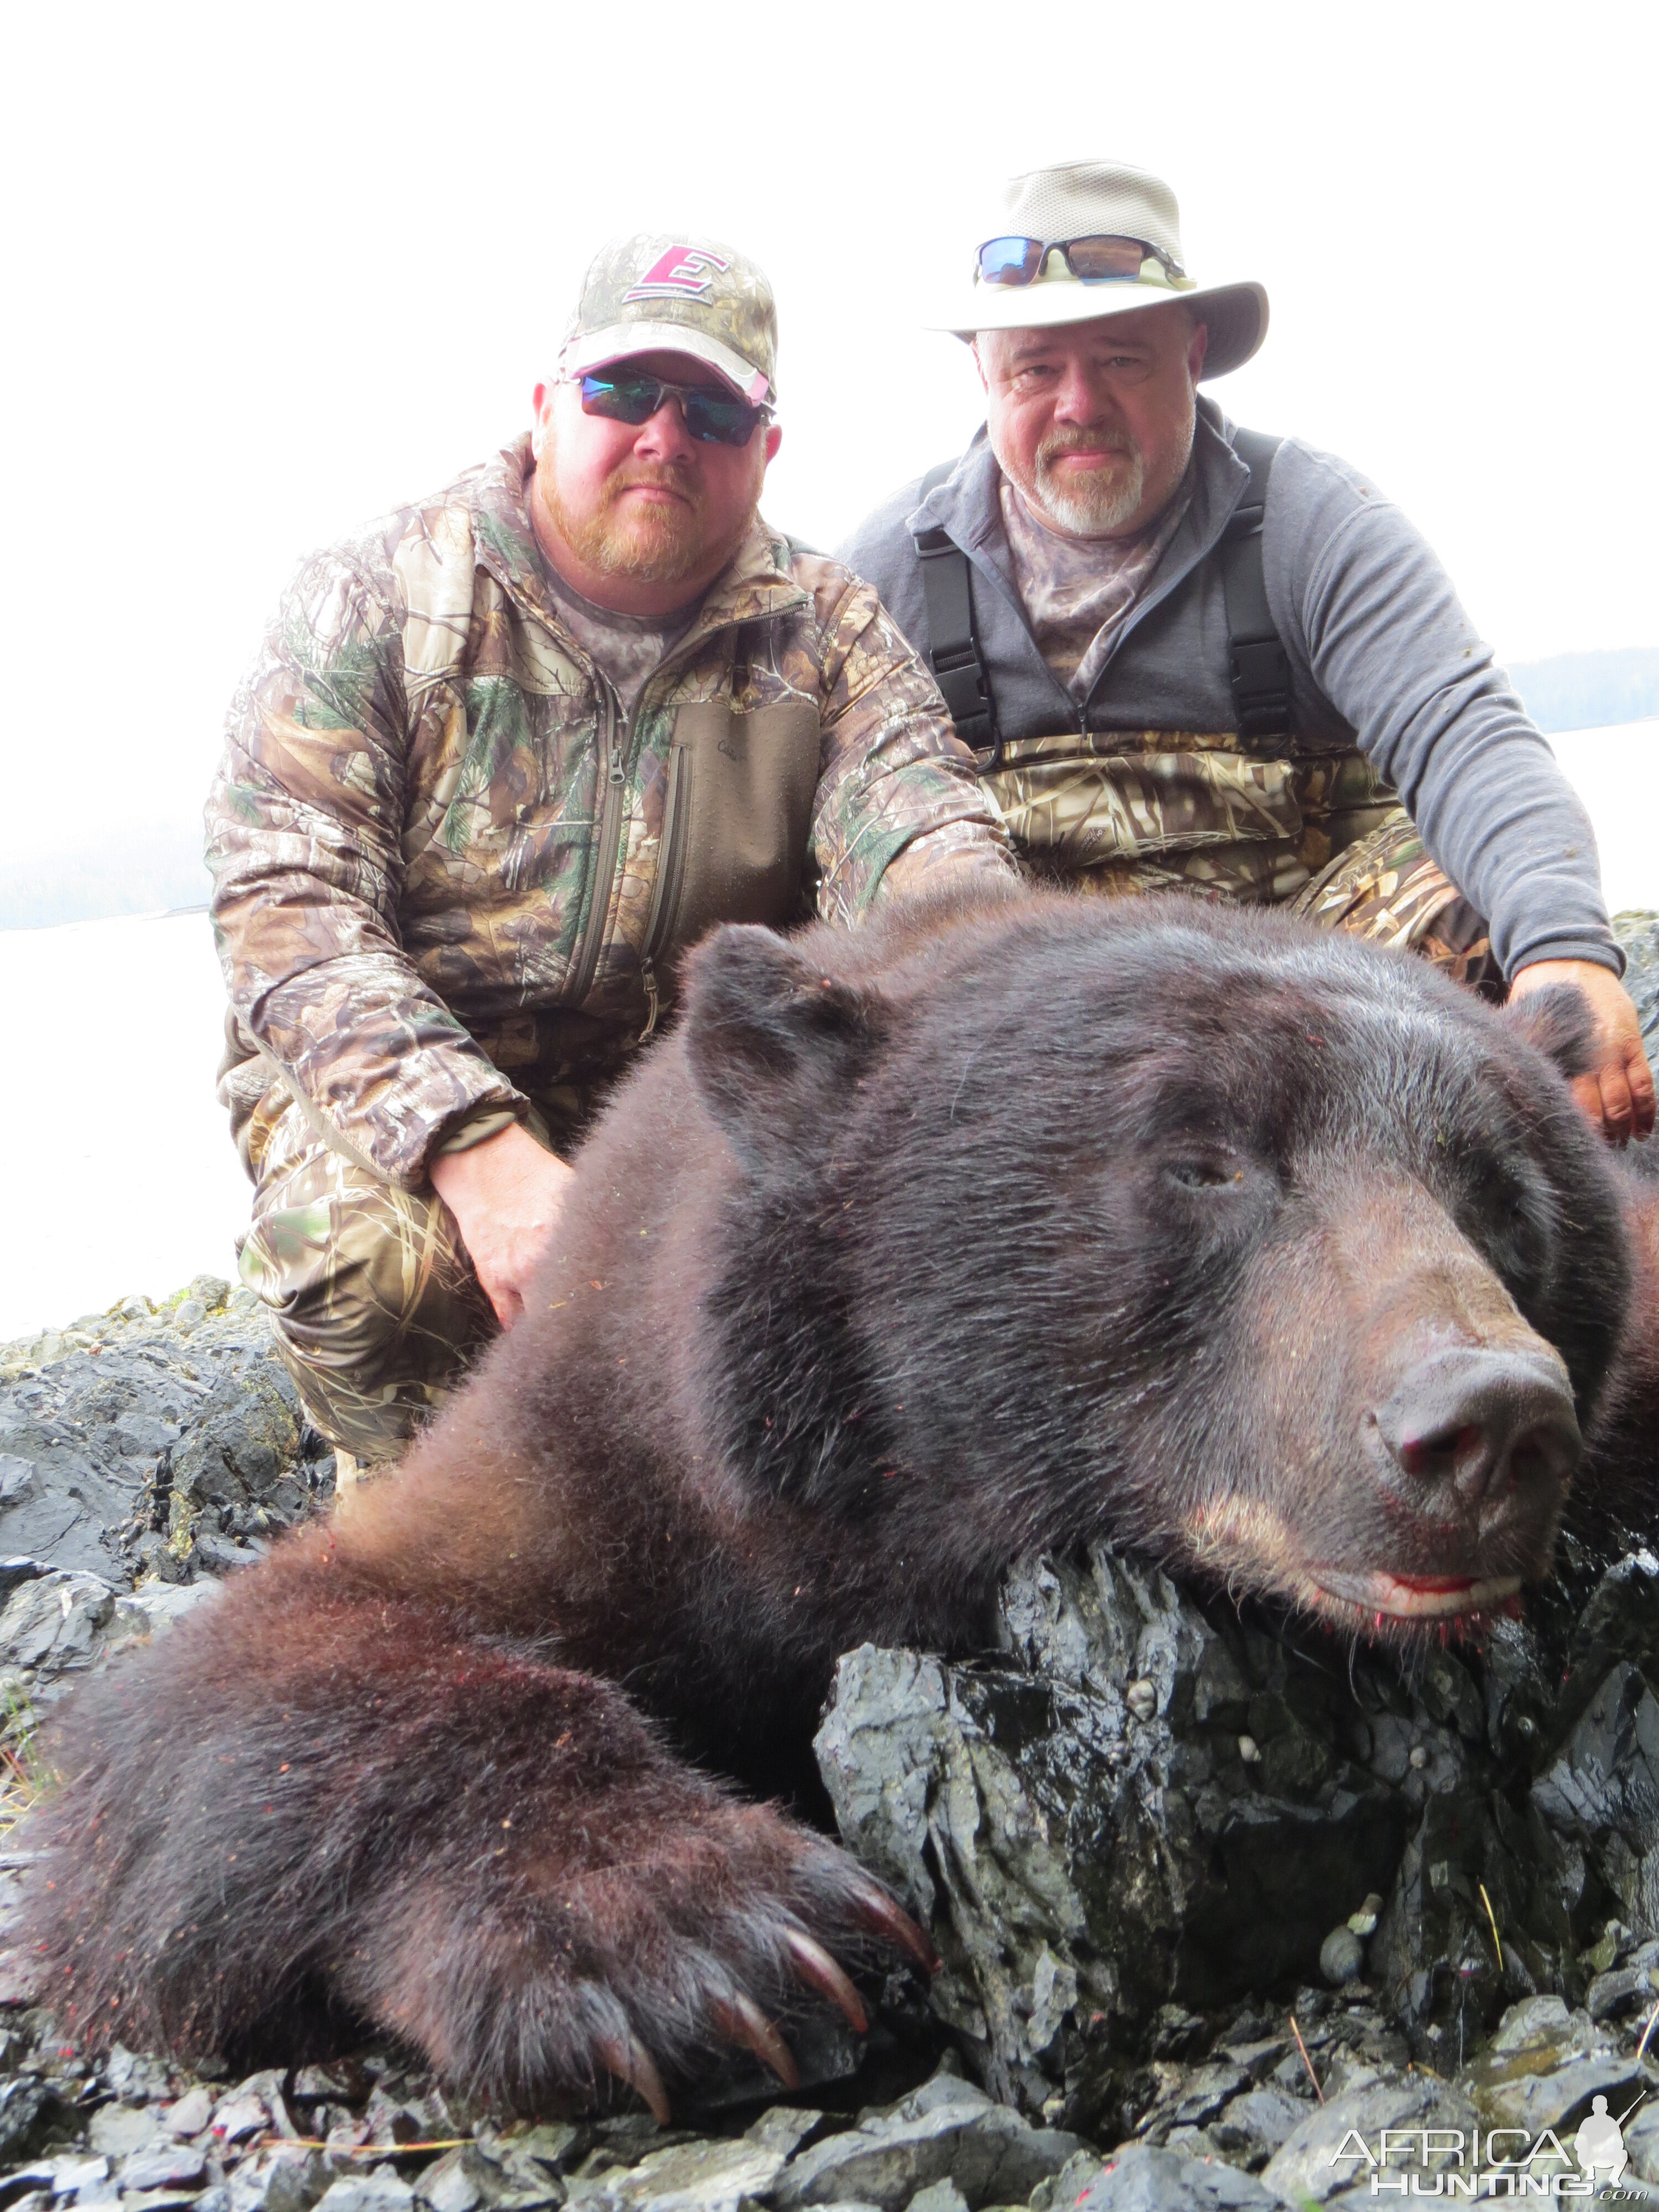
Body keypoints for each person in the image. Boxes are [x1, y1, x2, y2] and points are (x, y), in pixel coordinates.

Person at [207, 233, 1013, 1472]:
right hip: (422, 1083)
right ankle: (414, 1508)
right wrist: (475, 1151)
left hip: (681, 1094)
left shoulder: (832, 634)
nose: (664, 435)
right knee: (383, 1273)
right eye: (624, 392)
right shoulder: (372, 599)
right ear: (545, 405)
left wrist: (1005, 1027)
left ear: (767, 447)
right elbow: (286, 903)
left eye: (711, 407)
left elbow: (931, 849)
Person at [841, 159, 1655, 1145]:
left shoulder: (1315, 524)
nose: (1079, 403)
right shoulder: (886, 574)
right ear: (983, 371)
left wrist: (1565, 951)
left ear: (1192, 354)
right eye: (1037, 368)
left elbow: (1466, 736)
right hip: (1033, 1049)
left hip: (1322, 1032)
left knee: (1471, 893)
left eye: (1121, 360)